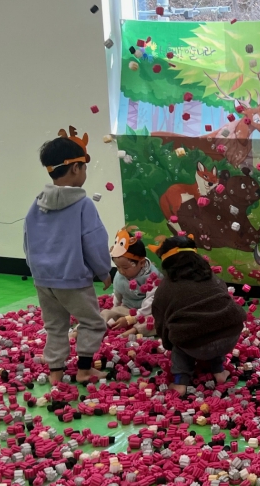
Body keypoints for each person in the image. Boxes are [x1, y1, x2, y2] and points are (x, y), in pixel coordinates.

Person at [24, 127, 111, 384]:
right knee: (92, 322)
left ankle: (56, 372)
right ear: (75, 168)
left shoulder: (37, 203)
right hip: (72, 278)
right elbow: (94, 241)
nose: (85, 172)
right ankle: (84, 369)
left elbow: (28, 240)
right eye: (84, 167)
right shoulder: (83, 204)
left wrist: (37, 270)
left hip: (43, 278)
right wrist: (103, 271)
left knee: (55, 325)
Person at [150, 235, 245, 395]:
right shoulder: (211, 276)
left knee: (182, 340)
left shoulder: (165, 288)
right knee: (213, 325)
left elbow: (161, 323)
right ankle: (219, 371)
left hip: (196, 344)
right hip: (230, 335)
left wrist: (170, 343)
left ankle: (180, 382)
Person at [103, 226, 159, 337]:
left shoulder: (153, 277)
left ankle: (133, 331)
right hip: (127, 309)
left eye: (125, 267)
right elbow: (118, 294)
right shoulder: (120, 275)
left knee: (157, 319)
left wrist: (131, 319)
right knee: (106, 313)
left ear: (141, 263)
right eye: (118, 267)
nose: (121, 271)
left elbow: (150, 303)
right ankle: (81, 331)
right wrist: (115, 309)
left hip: (147, 312)